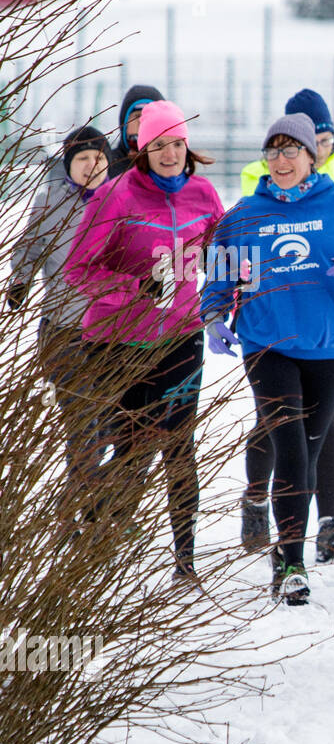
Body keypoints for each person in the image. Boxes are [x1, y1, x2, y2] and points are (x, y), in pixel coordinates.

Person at [203, 113, 334, 604]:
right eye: (272, 151)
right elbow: (219, 270)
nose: (280, 160)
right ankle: (290, 561)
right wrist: (212, 315)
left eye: (291, 150)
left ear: (313, 156)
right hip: (266, 343)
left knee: (310, 450)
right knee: (290, 447)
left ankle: (289, 547)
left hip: (328, 345)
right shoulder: (245, 214)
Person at [63, 101, 225, 580]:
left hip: (180, 336)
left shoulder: (203, 193)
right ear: (141, 148)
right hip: (117, 342)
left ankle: (186, 559)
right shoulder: (116, 196)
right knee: (132, 449)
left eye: (177, 143)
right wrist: (134, 290)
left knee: (179, 444)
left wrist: (228, 288)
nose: (170, 153)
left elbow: (221, 252)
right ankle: (98, 531)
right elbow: (78, 269)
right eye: (159, 145)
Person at [236, 88, 334, 566]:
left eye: (324, 139)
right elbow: (231, 255)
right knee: (278, 432)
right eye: (277, 150)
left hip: (328, 327)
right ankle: (261, 506)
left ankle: (327, 523)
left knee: (320, 431)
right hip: (270, 331)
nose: (283, 159)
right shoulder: (257, 186)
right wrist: (223, 303)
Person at [10, 126, 111, 483]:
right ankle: (78, 514)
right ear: (67, 164)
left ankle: (91, 507)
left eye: (97, 157)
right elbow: (29, 247)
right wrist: (20, 281)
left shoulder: (120, 201)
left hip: (110, 331)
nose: (90, 165)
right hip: (61, 328)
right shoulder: (51, 200)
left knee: (108, 426)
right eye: (81, 158)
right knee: (83, 421)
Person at [106, 84, 163, 179]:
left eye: (150, 116)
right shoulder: (106, 166)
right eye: (137, 116)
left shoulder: (170, 163)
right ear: (125, 122)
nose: (143, 121)